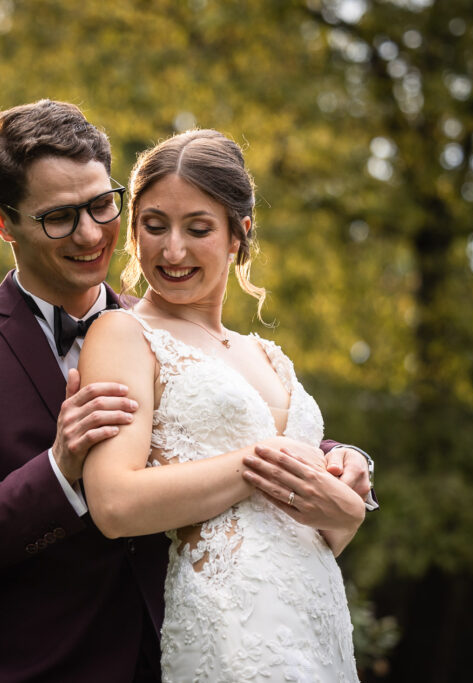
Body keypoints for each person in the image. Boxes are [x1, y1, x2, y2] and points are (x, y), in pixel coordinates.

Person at [0, 100, 373, 683]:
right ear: (2, 221)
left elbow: (228, 421)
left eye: (102, 205)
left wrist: (339, 459)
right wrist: (56, 470)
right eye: (59, 217)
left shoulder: (166, 324)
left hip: (190, 653)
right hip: (48, 669)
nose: (92, 233)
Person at [80, 128, 366, 681]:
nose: (173, 250)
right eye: (154, 225)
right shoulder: (123, 334)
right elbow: (113, 504)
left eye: (199, 228)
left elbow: (306, 528)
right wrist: (261, 460)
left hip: (318, 622)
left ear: (240, 234)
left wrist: (347, 513)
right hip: (227, 625)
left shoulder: (268, 356)